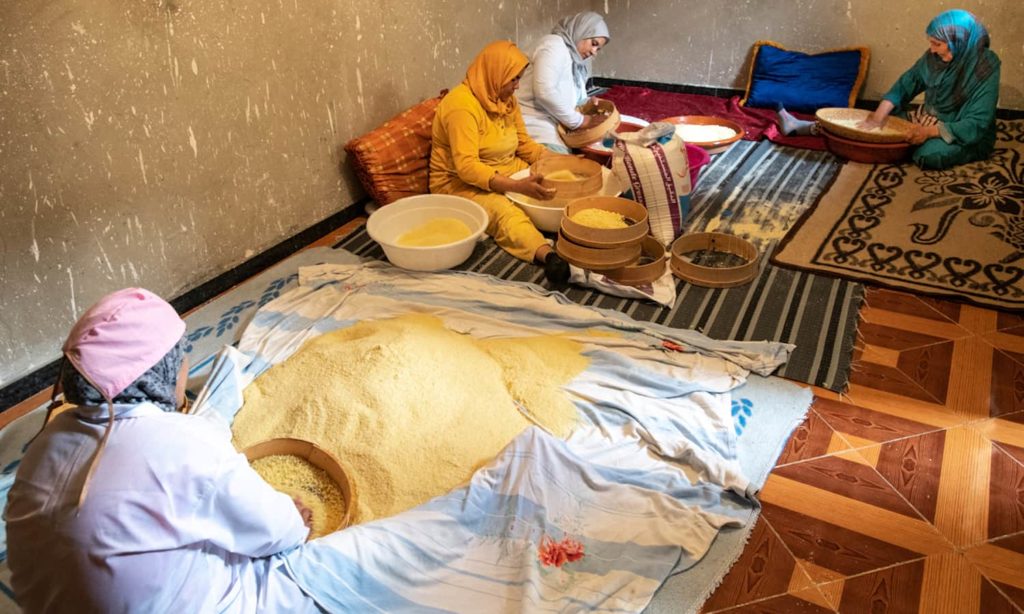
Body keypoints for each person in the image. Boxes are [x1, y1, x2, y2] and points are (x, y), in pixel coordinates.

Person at [4, 288, 321, 613]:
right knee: (366, 550)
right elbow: (279, 532)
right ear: (163, 372)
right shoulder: (184, 442)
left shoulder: (47, 439)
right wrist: (291, 517)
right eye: (182, 357)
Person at [779, 9, 1001, 170]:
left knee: (929, 156)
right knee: (871, 122)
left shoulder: (985, 68)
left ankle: (903, 145)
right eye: (931, 43)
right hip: (927, 119)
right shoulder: (934, 58)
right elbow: (906, 84)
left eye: (937, 44)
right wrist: (877, 118)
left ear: (958, 42)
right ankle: (807, 128)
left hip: (963, 132)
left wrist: (927, 133)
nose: (931, 50)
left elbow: (978, 123)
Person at [429, 40, 571, 285]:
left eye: (519, 79)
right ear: (495, 73)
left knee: (555, 182)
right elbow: (467, 167)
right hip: (458, 183)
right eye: (513, 80)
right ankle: (547, 255)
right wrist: (516, 186)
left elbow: (524, 144)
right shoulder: (460, 107)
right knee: (504, 211)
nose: (517, 87)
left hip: (506, 166)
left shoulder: (505, 100)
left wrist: (561, 163)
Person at [517, 11, 611, 153]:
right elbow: (544, 91)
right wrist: (581, 121)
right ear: (581, 31)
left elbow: (571, 98)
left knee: (601, 144)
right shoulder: (553, 45)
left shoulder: (576, 61)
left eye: (598, 48)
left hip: (557, 121)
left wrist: (587, 103)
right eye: (593, 43)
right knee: (564, 164)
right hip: (534, 120)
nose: (594, 52)